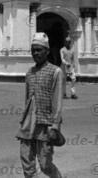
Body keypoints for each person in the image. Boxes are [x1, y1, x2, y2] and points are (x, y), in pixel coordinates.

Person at [16, 32, 63, 178]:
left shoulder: (56, 72)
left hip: (45, 125)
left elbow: (57, 101)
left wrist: (55, 127)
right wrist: (23, 120)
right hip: (28, 124)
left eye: (39, 50)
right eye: (33, 50)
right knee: (26, 161)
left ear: (47, 51)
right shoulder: (29, 73)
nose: (35, 53)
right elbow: (27, 99)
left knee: (45, 164)